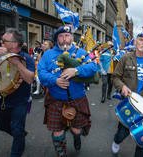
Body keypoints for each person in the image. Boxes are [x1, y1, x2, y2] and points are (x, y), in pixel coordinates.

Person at [38, 25, 98, 157]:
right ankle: (61, 153)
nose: (64, 39)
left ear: (71, 37)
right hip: (55, 99)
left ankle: (77, 137)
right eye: (61, 36)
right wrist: (55, 80)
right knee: (57, 132)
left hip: (77, 98)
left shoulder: (81, 52)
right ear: (56, 38)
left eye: (67, 35)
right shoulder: (48, 54)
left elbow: (94, 67)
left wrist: (76, 70)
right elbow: (41, 73)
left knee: (76, 130)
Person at [0, 28, 35, 157]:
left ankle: (16, 149)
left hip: (20, 101)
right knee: (1, 126)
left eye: (4, 40)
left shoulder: (26, 58)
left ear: (15, 43)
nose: (1, 42)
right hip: (2, 100)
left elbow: (30, 79)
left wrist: (17, 63)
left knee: (16, 128)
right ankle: (20, 134)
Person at [111, 32, 143, 157]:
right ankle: (116, 142)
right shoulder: (126, 58)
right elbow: (115, 77)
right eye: (141, 40)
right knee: (122, 133)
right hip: (130, 103)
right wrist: (122, 86)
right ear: (135, 42)